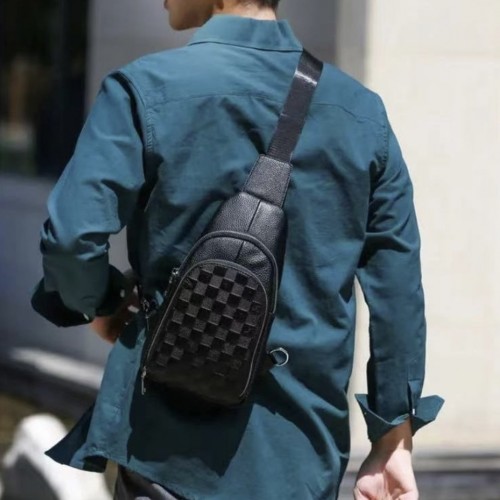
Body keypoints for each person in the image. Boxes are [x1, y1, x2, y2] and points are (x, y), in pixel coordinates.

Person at [30, 1, 444, 499]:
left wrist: (100, 303)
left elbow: (73, 240)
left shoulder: (144, 90)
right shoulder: (361, 113)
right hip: (298, 458)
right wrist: (393, 437)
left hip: (168, 451)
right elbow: (397, 292)